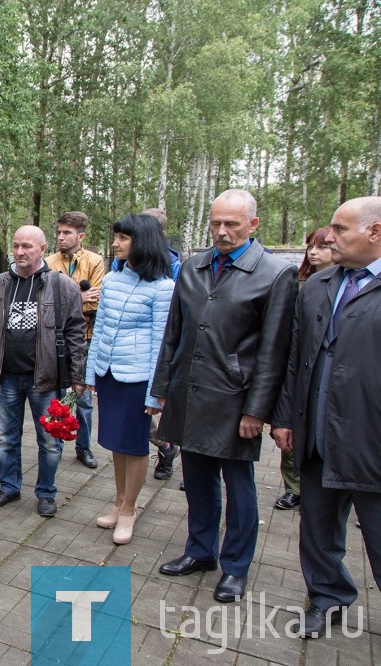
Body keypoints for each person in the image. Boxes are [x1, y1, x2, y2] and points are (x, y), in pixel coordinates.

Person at [152, 189, 297, 603]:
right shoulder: (194, 267)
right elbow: (173, 335)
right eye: (216, 223)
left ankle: (235, 567)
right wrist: (161, 389)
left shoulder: (275, 273)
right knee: (196, 480)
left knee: (239, 486)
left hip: (235, 401)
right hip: (188, 392)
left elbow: (274, 351)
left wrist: (258, 410)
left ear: (253, 225)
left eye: (231, 224)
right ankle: (200, 551)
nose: (221, 231)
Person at [270, 197, 381, 639]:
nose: (328, 237)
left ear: (375, 232)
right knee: (317, 529)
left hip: (371, 441)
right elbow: (294, 357)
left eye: (340, 228)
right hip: (314, 432)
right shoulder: (318, 285)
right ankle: (327, 597)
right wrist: (284, 420)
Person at [0, 225, 87, 518]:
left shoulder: (61, 286)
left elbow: (77, 332)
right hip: (8, 378)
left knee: (50, 442)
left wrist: (78, 377)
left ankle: (46, 493)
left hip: (46, 379)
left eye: (27, 246)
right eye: (16, 245)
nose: (19, 251)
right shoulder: (0, 284)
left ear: (42, 249)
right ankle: (9, 487)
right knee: (7, 439)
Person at [86, 215, 174, 544]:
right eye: (117, 237)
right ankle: (118, 502)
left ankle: (129, 511)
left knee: (135, 446)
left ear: (143, 241)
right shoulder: (112, 280)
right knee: (116, 445)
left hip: (138, 380)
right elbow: (100, 331)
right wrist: (91, 372)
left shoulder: (164, 288)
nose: (115, 243)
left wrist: (156, 393)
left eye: (123, 238)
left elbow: (160, 345)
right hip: (110, 375)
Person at [273, 226, 335, 512]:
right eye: (311, 246)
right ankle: (294, 488)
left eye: (320, 247)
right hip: (299, 374)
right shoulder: (301, 284)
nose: (313, 252)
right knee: (295, 436)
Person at [46, 211, 104, 469]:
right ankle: (54, 444)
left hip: (85, 338)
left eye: (66, 233)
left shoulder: (95, 261)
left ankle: (84, 447)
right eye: (58, 232)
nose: (60, 237)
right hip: (53, 339)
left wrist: (66, 300)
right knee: (55, 394)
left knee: (82, 397)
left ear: (80, 236)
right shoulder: (48, 262)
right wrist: (78, 298)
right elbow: (45, 304)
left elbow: (97, 300)